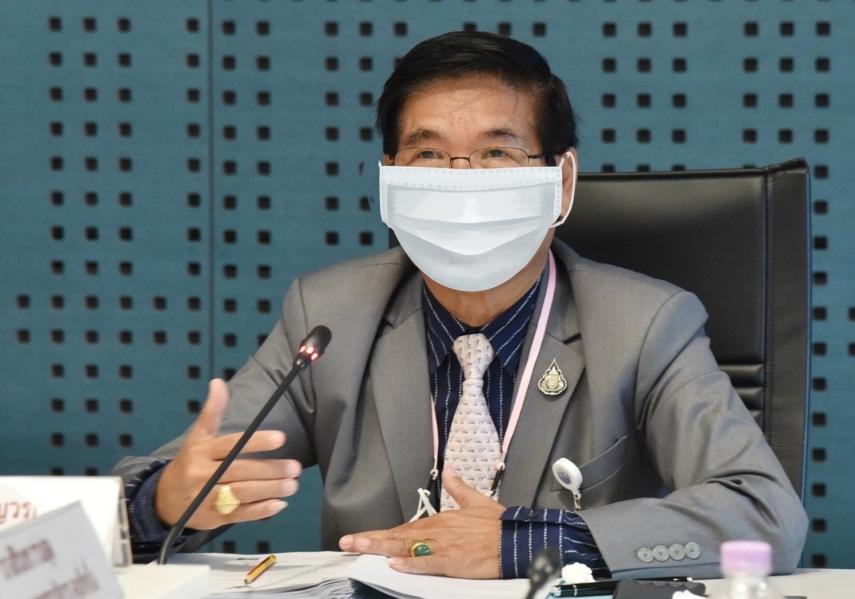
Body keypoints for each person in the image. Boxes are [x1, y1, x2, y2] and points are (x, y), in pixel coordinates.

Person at [112, 31, 807, 580]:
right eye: (429, 156)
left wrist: (530, 542)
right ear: (390, 180)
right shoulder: (329, 316)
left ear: (561, 180)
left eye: (498, 153)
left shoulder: (646, 324)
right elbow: (173, 485)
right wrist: (165, 503)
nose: (463, 183)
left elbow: (764, 514)